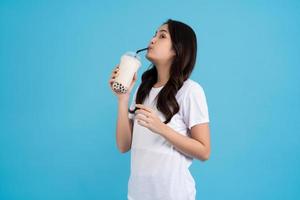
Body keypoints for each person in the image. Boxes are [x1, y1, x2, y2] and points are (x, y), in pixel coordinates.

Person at [109, 19, 211, 200]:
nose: (153, 39)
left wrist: (161, 128)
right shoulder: (143, 89)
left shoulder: (190, 91)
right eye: (154, 34)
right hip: (138, 195)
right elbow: (124, 145)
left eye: (162, 36)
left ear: (177, 50)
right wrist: (122, 99)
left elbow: (204, 151)